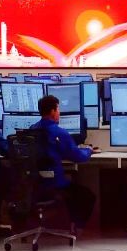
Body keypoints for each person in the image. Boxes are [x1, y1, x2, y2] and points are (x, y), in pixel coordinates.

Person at [29, 95, 96, 230]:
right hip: (55, 183)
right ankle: (76, 228)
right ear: (53, 111)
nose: (59, 113)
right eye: (58, 109)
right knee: (87, 195)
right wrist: (88, 150)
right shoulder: (59, 132)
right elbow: (78, 157)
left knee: (74, 191)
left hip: (33, 183)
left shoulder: (31, 130)